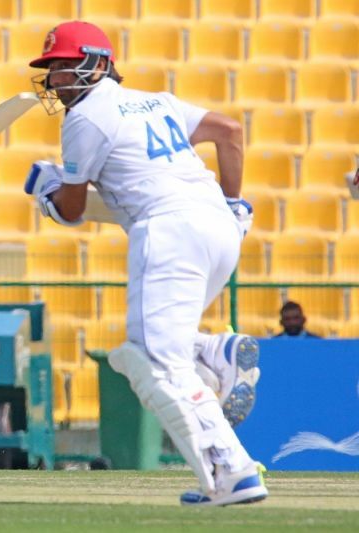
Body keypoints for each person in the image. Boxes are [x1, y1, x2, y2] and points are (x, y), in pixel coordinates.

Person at [24, 21, 266, 506]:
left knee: (151, 361)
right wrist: (235, 202)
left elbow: (72, 209)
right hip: (219, 226)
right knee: (163, 348)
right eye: (51, 70)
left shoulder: (84, 118)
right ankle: (211, 353)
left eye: (64, 68)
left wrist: (47, 193)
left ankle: (231, 472)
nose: (55, 80)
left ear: (95, 64)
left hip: (169, 233)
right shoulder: (156, 100)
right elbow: (230, 132)